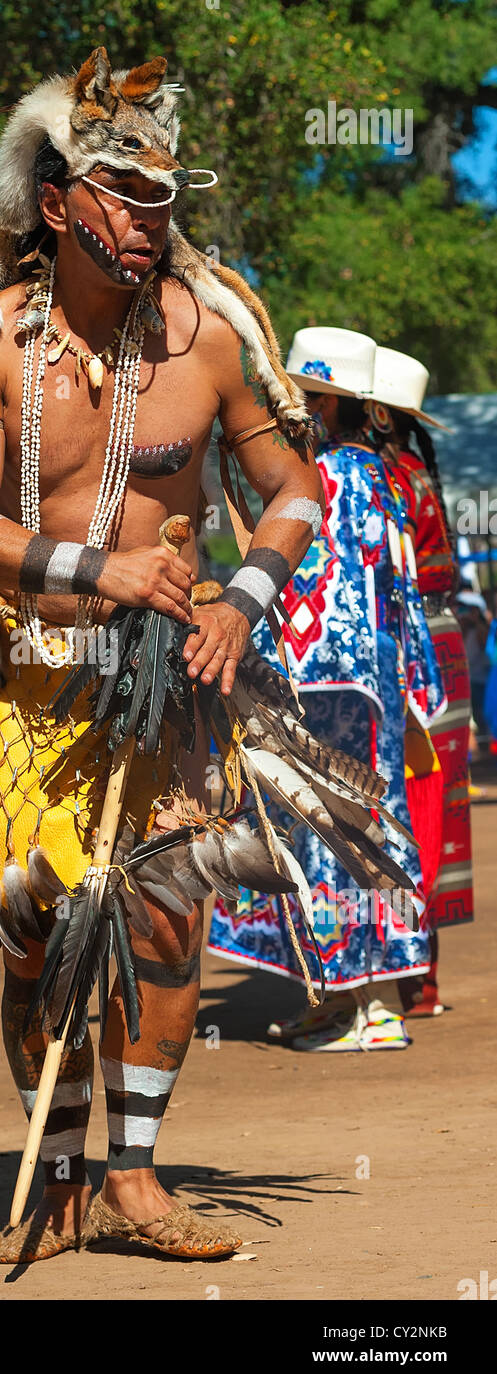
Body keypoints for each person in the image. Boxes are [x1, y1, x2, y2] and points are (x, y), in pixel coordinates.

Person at [0, 48, 326, 1261]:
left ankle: (132, 1181)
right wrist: (100, 573)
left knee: (161, 922)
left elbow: (293, 485)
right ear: (56, 203)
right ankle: (59, 1177)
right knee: (40, 927)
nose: (149, 222)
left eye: (163, 200)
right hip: (28, 677)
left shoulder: (206, 340)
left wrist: (240, 593)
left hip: (174, 681)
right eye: (121, 196)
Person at [209, 327, 444, 1052]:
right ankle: (336, 996)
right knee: (325, 836)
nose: (287, 410)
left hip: (331, 687)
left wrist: (264, 657)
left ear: (324, 405)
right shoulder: (362, 473)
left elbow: (320, 583)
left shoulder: (332, 478)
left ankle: (371, 1007)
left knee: (342, 832)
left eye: (299, 399)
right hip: (348, 684)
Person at [371, 347, 474, 1016]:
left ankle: (400, 973)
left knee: (402, 800)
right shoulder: (416, 471)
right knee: (431, 802)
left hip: (406, 648)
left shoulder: (378, 477)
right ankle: (421, 981)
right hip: (444, 645)